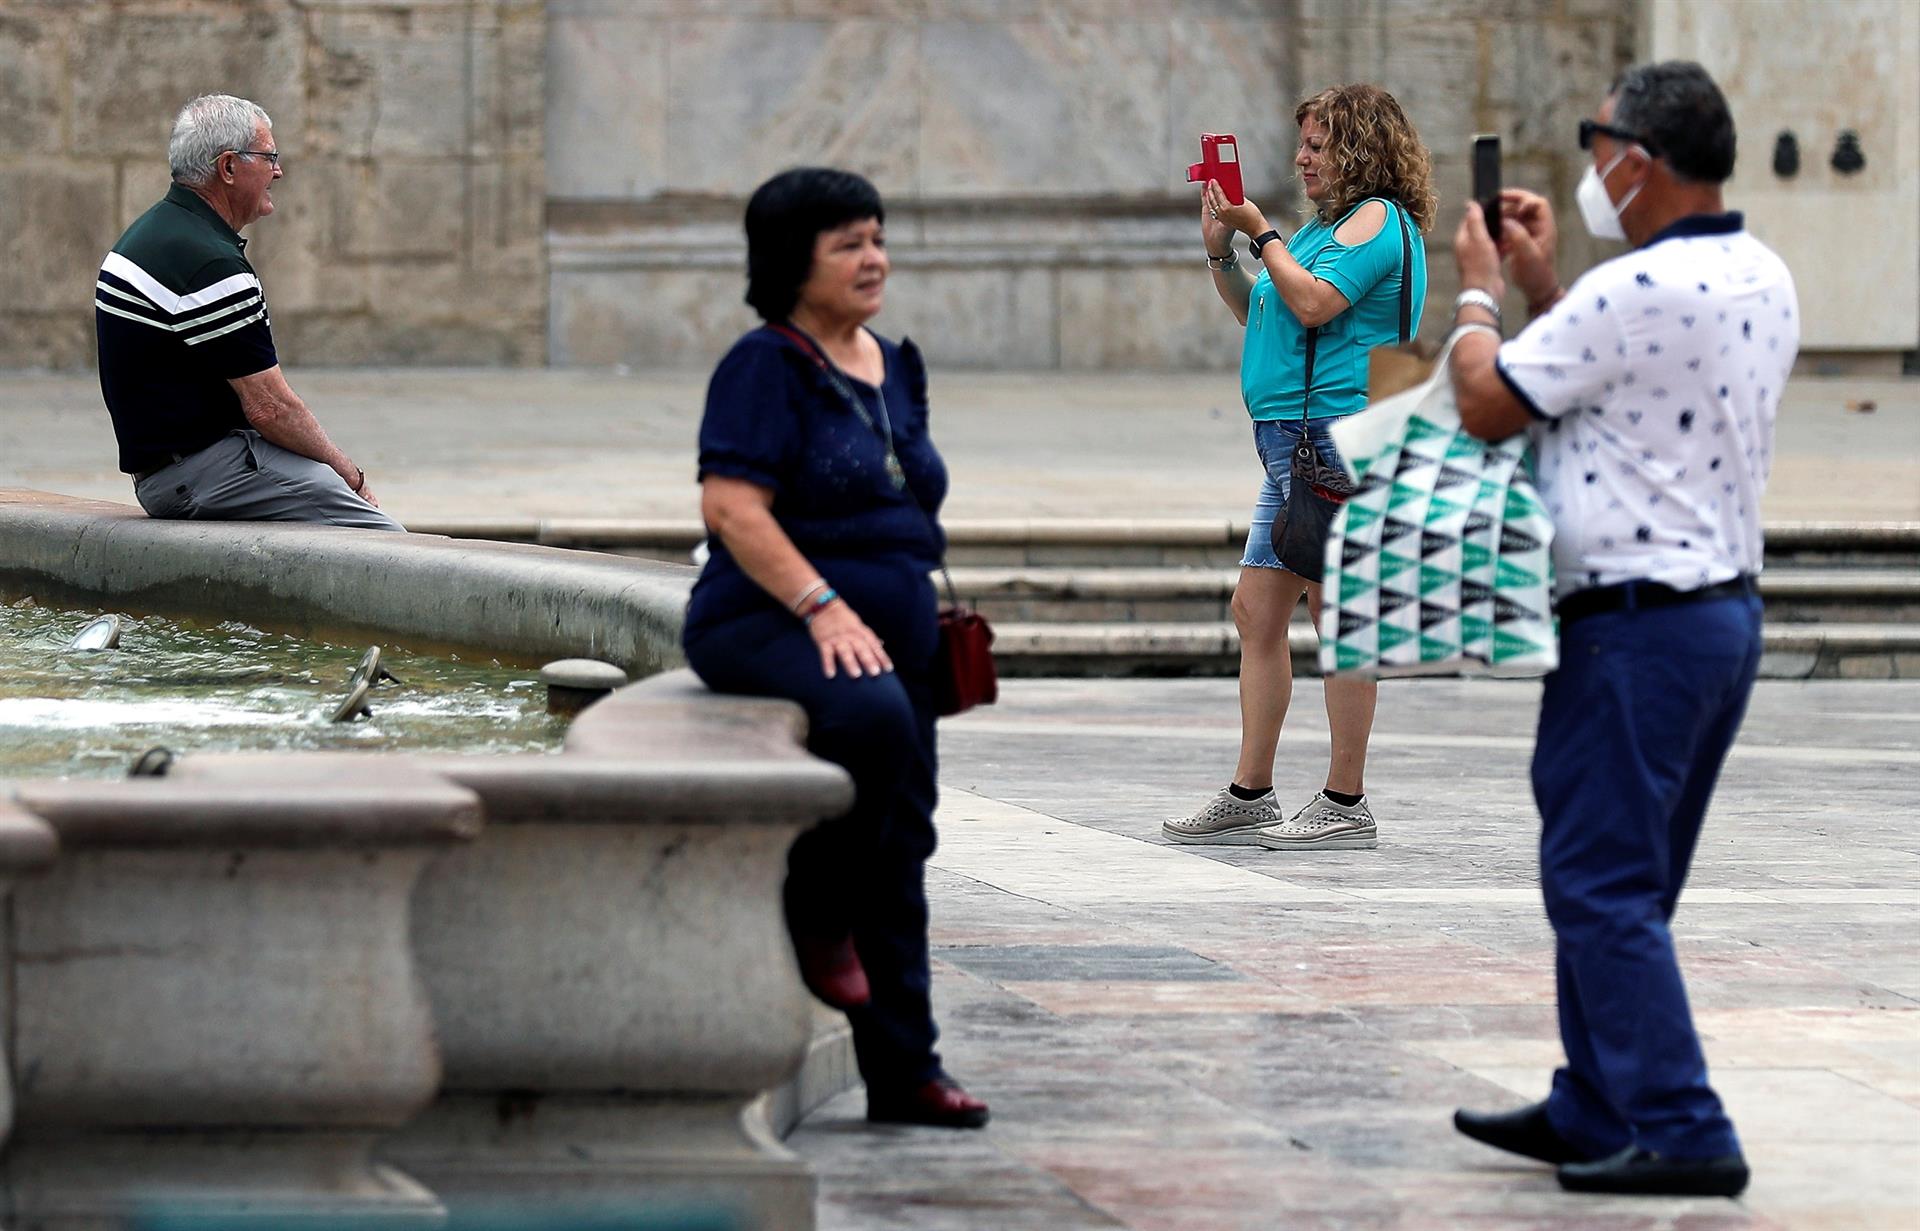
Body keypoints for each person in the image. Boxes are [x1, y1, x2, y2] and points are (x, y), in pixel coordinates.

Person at [1445, 61, 1795, 1197]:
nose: (1593, 170)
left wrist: (1482, 296)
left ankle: (1686, 1125)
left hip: (1634, 628)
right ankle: (1596, 1097)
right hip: (1716, 619)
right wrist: (1557, 283)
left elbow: (1489, 399)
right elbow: (1626, 382)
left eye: (1599, 147)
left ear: (1640, 160)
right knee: (1625, 883)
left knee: (1599, 886)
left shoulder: (1634, 291)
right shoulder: (1759, 273)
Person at [680, 167, 987, 1130]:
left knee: (907, 839)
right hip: (764, 616)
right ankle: (816, 906)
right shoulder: (762, 365)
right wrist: (822, 606)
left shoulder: (896, 363)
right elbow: (731, 507)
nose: (874, 258)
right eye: (848, 242)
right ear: (792, 260)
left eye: (879, 237)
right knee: (871, 718)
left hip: (896, 634)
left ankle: (905, 1071)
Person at [1165, 84, 1434, 851]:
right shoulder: (1326, 229)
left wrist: (1263, 232)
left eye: (1318, 143)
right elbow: (1266, 310)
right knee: (1257, 610)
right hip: (1292, 443)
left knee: (1338, 615)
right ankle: (1251, 792)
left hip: (1335, 437)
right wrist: (1223, 245)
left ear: (1360, 148)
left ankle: (1346, 800)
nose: (1303, 157)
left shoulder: (1380, 218)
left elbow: (1314, 304)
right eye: (1303, 143)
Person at [94, 94, 400, 531]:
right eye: (269, 156)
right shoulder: (207, 262)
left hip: (172, 471)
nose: (278, 171)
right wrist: (351, 477)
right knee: (384, 541)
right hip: (202, 472)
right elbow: (270, 408)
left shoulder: (155, 232)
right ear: (229, 168)